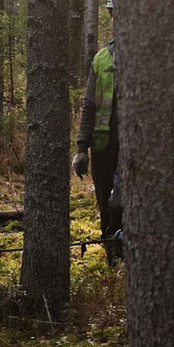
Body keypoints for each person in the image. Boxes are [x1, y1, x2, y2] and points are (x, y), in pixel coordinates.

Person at [73, 26, 122, 265]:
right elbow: (89, 105)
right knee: (106, 204)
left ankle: (130, 257)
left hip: (136, 145)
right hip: (104, 146)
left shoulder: (146, 56)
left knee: (122, 202)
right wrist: (82, 147)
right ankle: (113, 260)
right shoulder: (101, 59)